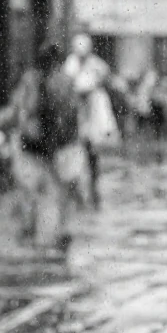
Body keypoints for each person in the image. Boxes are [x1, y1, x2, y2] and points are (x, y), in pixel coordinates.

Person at [0, 43, 83, 257]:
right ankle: (60, 232)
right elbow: (73, 113)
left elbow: (18, 110)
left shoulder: (30, 80)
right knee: (61, 191)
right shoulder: (65, 81)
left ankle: (32, 232)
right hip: (59, 145)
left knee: (33, 190)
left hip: (35, 145)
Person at [64, 33, 114, 209]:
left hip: (92, 112)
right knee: (76, 152)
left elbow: (105, 77)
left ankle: (93, 186)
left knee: (92, 151)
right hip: (77, 111)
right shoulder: (70, 64)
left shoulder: (96, 64)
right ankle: (77, 192)